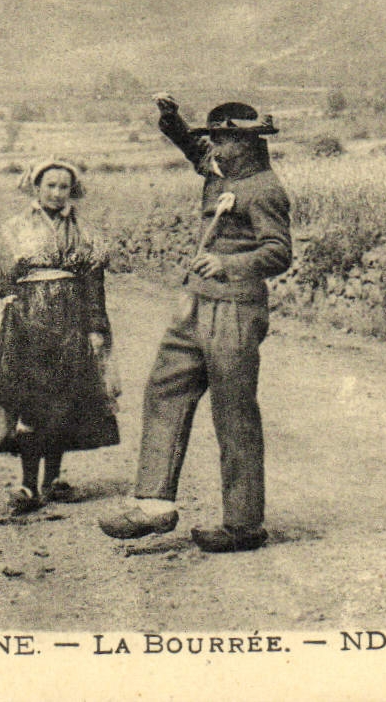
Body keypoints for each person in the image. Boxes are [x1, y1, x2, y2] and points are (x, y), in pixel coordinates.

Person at [99, 96, 292, 553]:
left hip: (236, 310)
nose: (218, 149)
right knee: (165, 388)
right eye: (216, 139)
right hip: (195, 304)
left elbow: (279, 252)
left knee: (233, 411)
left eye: (227, 140)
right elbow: (192, 149)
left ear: (252, 144)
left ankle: (243, 525)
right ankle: (152, 504)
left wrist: (227, 264)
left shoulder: (265, 189)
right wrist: (172, 120)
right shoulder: (217, 171)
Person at [0, 157, 121, 515]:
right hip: (29, 320)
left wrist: (95, 329)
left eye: (64, 187)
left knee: (63, 400)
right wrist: (9, 295)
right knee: (30, 402)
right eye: (50, 186)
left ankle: (52, 481)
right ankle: (28, 485)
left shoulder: (84, 233)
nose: (57, 193)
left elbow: (94, 284)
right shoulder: (14, 228)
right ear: (36, 187)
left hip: (70, 321)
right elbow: (3, 275)